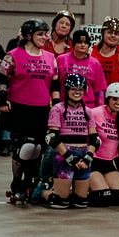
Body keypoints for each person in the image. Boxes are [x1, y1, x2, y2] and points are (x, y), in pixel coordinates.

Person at [0, 19, 59, 205]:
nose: (45, 37)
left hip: (41, 109)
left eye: (45, 33)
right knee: (23, 148)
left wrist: (56, 105)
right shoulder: (12, 55)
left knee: (37, 149)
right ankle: (17, 184)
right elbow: (1, 80)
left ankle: (30, 183)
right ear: (28, 36)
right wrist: (2, 100)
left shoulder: (50, 57)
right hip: (19, 108)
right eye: (40, 34)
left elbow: (55, 84)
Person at [34, 72, 97, 209]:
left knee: (81, 201)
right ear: (67, 90)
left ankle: (66, 190)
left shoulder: (88, 111)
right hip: (64, 155)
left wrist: (88, 157)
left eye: (80, 89)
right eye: (74, 89)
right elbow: (51, 137)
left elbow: (94, 139)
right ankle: (40, 191)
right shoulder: (58, 109)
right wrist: (69, 157)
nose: (77, 92)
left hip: (83, 154)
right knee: (60, 202)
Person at [87, 83, 119, 206]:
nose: (118, 102)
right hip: (92, 161)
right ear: (108, 99)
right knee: (103, 198)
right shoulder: (95, 113)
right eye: (115, 99)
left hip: (108, 162)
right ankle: (78, 191)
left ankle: (93, 186)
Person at [55, 30, 108, 107]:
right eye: (79, 42)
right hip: (64, 105)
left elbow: (99, 91)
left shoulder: (95, 64)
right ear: (73, 44)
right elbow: (54, 84)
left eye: (86, 43)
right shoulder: (61, 59)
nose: (83, 45)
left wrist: (99, 110)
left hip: (88, 107)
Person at [91, 18, 119, 92]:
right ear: (103, 34)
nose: (113, 36)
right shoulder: (91, 51)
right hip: (93, 95)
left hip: (114, 97)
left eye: (116, 34)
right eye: (109, 32)